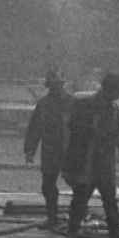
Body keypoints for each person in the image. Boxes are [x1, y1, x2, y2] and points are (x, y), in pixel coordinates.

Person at [63, 73, 119, 238]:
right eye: (118, 90)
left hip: (105, 163)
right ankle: (71, 234)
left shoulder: (115, 110)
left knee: (110, 199)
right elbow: (74, 129)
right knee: (80, 199)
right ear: (109, 89)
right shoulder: (85, 105)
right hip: (86, 161)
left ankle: (114, 233)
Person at [23, 69, 74, 228]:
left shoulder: (72, 103)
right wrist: (30, 150)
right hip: (50, 151)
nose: (55, 88)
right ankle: (52, 217)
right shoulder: (44, 104)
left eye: (57, 85)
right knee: (48, 185)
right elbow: (35, 128)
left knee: (78, 185)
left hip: (69, 151)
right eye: (52, 85)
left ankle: (77, 217)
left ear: (62, 85)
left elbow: (81, 127)